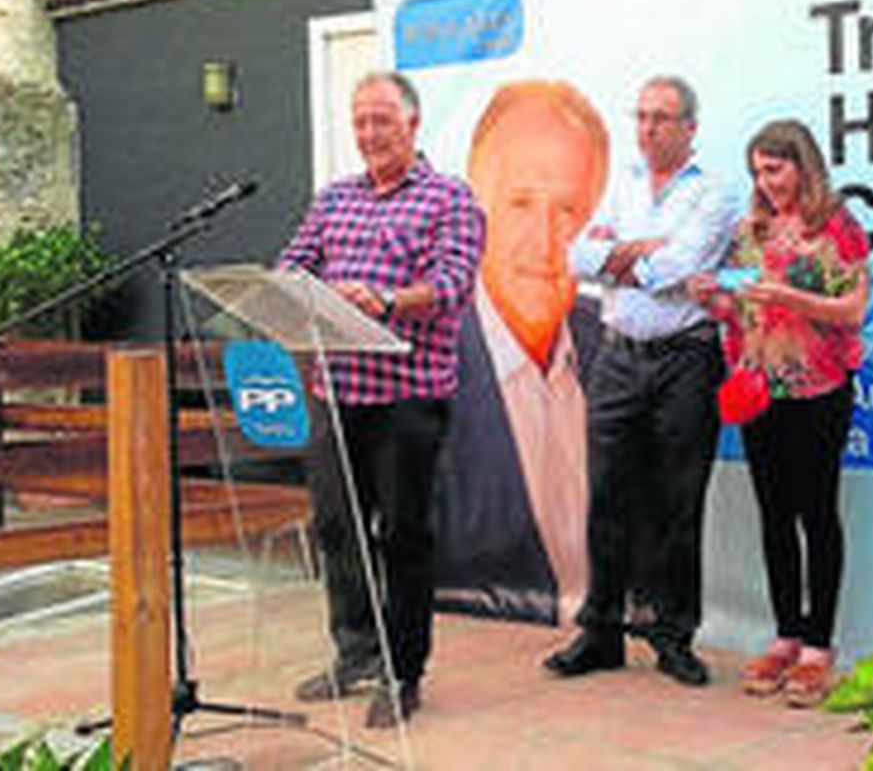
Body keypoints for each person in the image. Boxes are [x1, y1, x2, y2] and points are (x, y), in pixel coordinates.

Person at [278, 71, 485, 728]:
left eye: (382, 122)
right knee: (337, 530)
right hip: (336, 393)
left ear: (413, 125)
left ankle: (403, 672)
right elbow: (294, 263)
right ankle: (356, 652)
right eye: (361, 122)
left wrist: (389, 301)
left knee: (403, 537)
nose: (369, 135)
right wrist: (285, 292)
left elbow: (453, 284)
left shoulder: (451, 198)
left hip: (408, 400)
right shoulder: (334, 199)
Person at [544, 75, 739, 687]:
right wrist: (642, 253)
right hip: (618, 356)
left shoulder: (715, 190)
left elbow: (679, 268)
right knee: (607, 496)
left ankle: (672, 636)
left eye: (661, 118)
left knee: (678, 503)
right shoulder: (624, 183)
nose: (648, 128)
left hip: (686, 358)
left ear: (689, 128)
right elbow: (577, 258)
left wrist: (626, 258)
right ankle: (600, 631)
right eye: (642, 116)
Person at [690, 118, 869, 708]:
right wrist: (714, 300)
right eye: (758, 172)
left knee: (817, 514)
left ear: (804, 165)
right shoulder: (750, 233)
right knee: (773, 515)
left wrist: (794, 299)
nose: (766, 183)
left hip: (818, 392)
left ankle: (819, 646)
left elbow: (852, 310)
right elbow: (738, 307)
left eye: (775, 169)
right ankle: (785, 634)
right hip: (759, 390)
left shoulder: (836, 227)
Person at [438, 81, 610, 625]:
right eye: (519, 202)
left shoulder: (615, 343)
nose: (543, 238)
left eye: (567, 209)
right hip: (495, 671)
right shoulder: (425, 363)